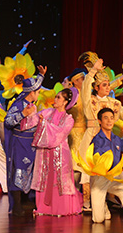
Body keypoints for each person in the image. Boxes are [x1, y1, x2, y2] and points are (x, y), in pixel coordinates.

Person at [78, 56, 123, 213]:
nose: (108, 87)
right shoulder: (90, 100)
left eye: (108, 84)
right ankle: (88, 204)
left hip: (109, 140)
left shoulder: (114, 103)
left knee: (114, 170)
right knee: (89, 171)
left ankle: (122, 202)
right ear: (96, 87)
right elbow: (86, 86)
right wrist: (93, 71)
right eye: (104, 85)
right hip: (92, 138)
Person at [22, 88, 82, 216]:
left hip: (60, 154)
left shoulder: (68, 119)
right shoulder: (47, 112)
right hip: (44, 152)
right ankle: (44, 208)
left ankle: (61, 208)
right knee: (44, 177)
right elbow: (33, 120)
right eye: (56, 96)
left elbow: (60, 133)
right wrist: (31, 111)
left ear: (65, 102)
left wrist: (44, 123)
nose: (55, 99)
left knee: (59, 180)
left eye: (59, 97)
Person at [5, 68, 47, 216]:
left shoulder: (32, 103)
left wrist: (41, 75)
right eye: (37, 92)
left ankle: (26, 200)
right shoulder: (18, 105)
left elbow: (35, 84)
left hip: (31, 143)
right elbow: (8, 122)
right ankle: (17, 205)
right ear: (31, 93)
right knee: (19, 170)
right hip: (20, 143)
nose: (39, 94)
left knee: (30, 170)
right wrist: (23, 114)